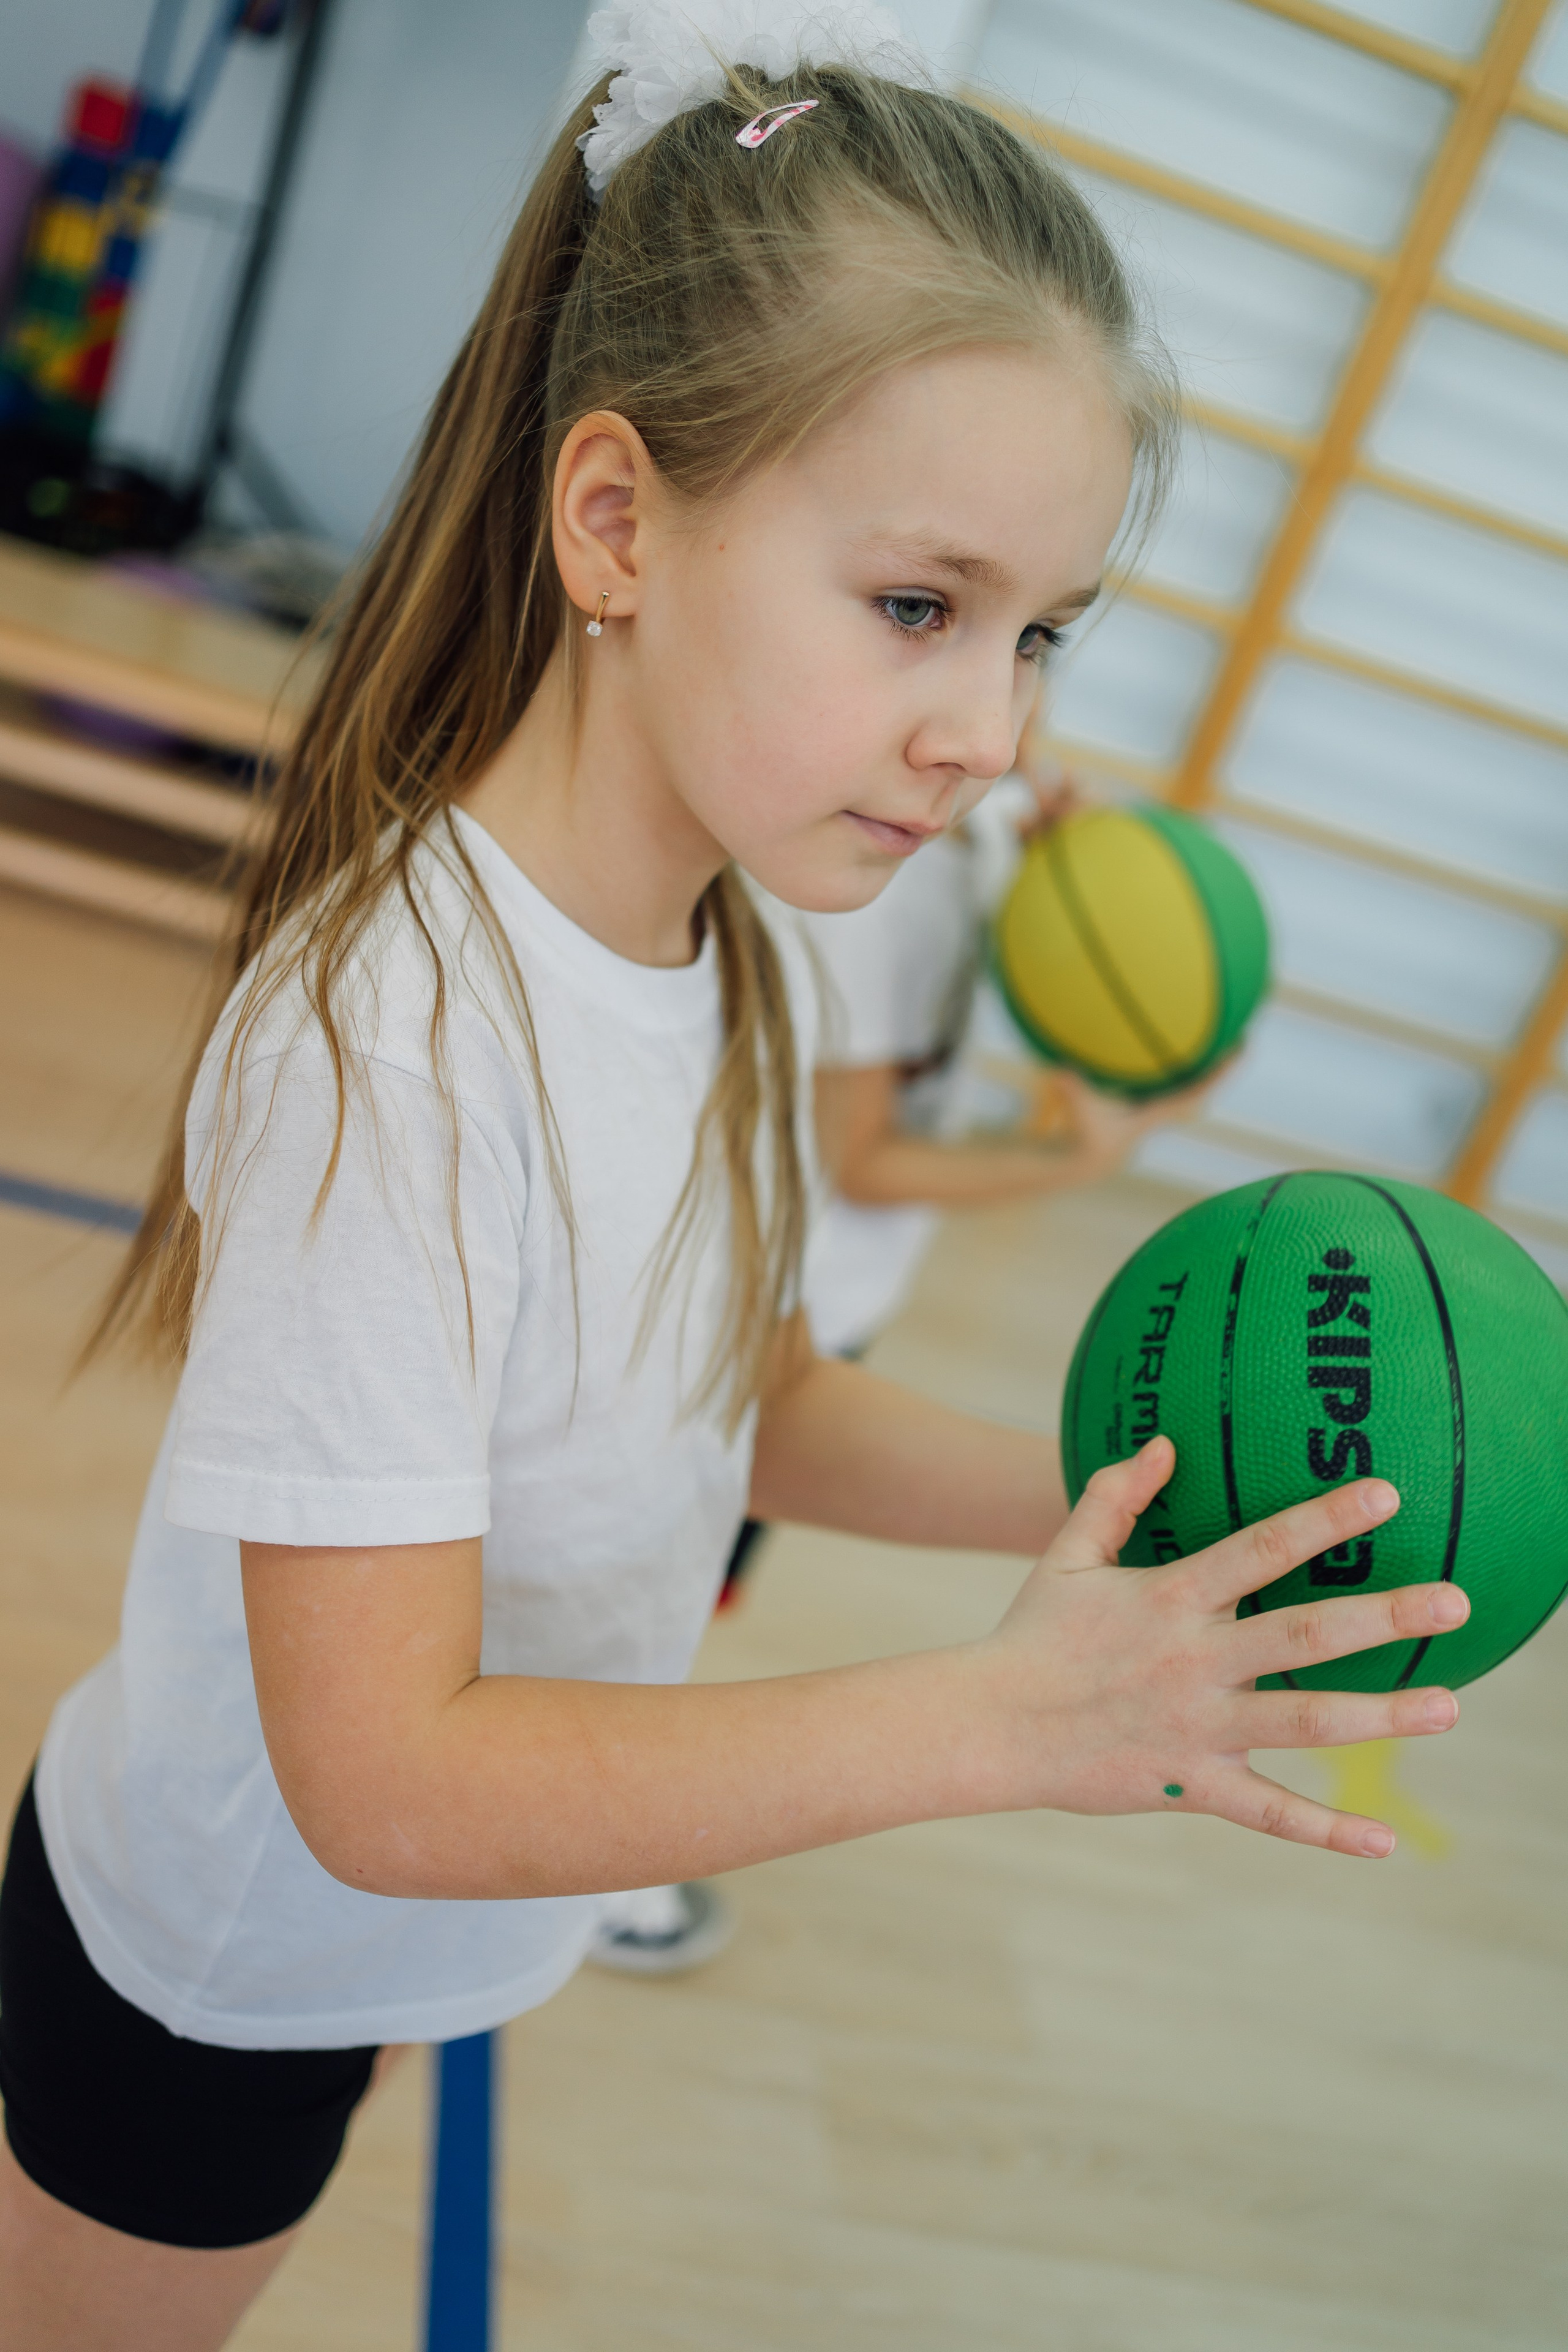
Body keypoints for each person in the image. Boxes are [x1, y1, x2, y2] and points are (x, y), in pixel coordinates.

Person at [0, 13, 1469, 2347]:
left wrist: (1136, 1492)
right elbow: (384, 1777)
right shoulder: (398, 1036)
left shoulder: (732, 953)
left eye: (1038, 635)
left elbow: (748, 1395)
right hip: (215, 1975)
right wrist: (997, 1721)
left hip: (398, 1944)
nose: (993, 730)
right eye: (919, 607)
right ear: (616, 523)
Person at [586, 777, 1208, 1975]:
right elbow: (860, 1160)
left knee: (701, 1570)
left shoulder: (986, 834)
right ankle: (596, 1845)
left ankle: (601, 1809)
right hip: (773, 1299)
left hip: (822, 1301)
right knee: (656, 1569)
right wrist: (1064, 1159)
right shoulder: (878, 896)